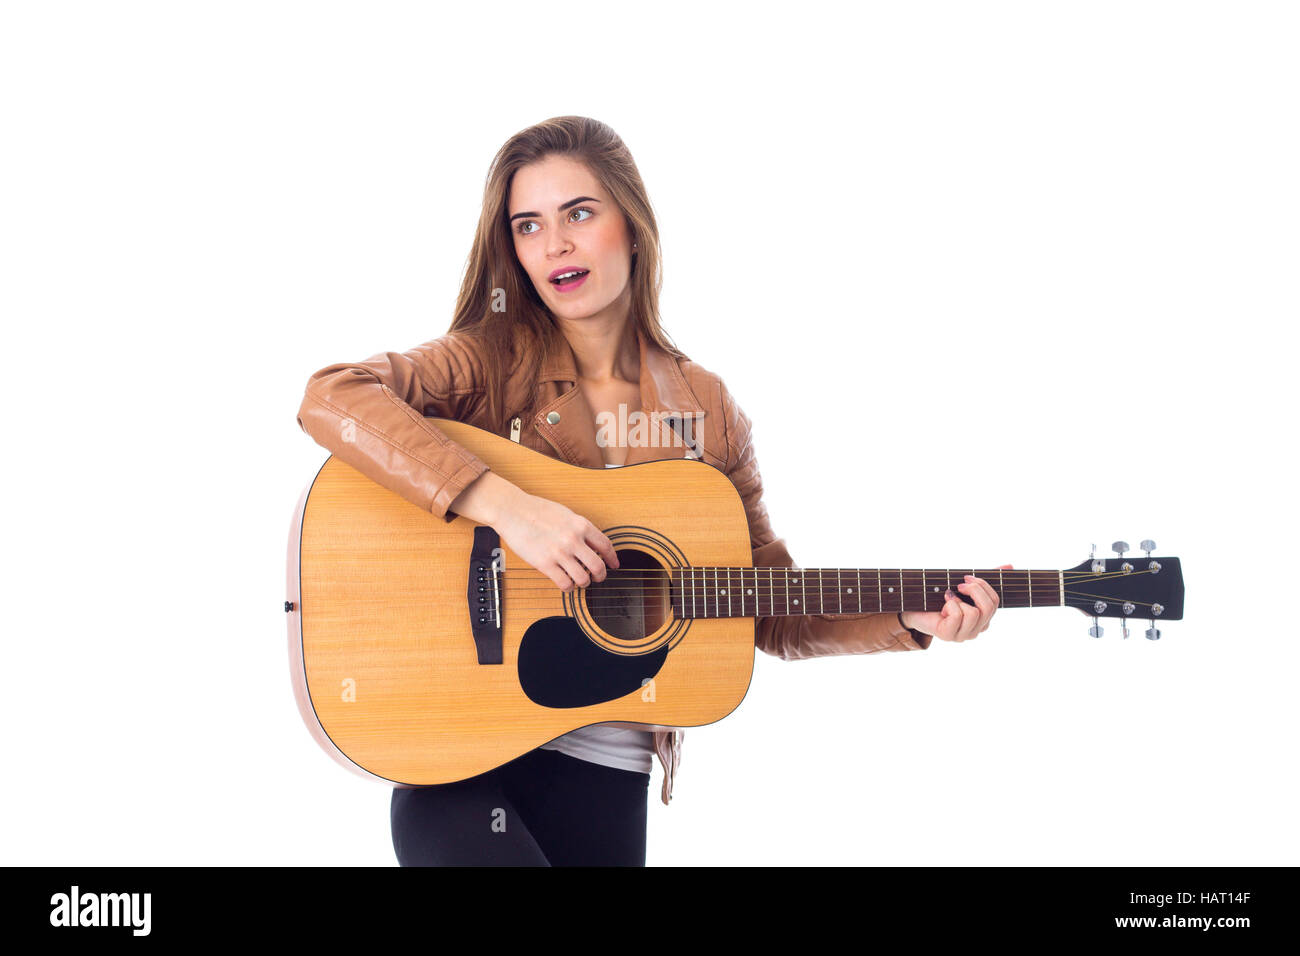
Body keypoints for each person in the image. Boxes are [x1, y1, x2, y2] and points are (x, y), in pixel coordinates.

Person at [295, 115, 1008, 866]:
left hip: (611, 777)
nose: (556, 245)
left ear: (631, 226)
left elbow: (767, 607)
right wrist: (509, 508)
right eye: (529, 225)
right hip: (461, 757)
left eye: (579, 213)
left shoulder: (707, 412)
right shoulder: (485, 362)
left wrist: (905, 616)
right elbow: (333, 396)